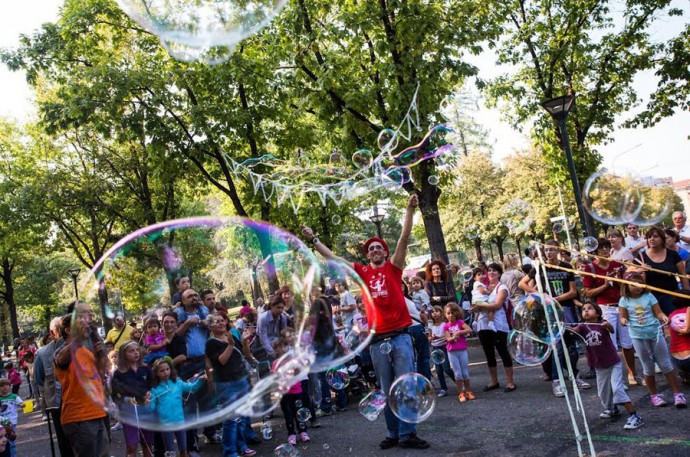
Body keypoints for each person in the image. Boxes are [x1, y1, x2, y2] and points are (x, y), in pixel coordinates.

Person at [301, 194, 429, 450]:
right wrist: (314, 239)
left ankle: (408, 434)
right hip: (377, 340)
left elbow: (404, 236)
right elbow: (334, 259)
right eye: (371, 248)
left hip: (401, 337)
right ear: (367, 254)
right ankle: (393, 434)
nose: (375, 250)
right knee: (385, 389)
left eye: (378, 247)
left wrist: (410, 209)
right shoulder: (361, 272)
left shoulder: (394, 268)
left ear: (385, 252)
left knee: (405, 385)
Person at [519, 241, 588, 396]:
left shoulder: (566, 267)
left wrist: (555, 298)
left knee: (571, 346)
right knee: (556, 346)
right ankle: (557, 380)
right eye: (546, 250)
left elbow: (572, 292)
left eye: (552, 250)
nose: (549, 253)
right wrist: (540, 295)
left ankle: (574, 375)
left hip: (566, 309)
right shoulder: (539, 267)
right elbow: (522, 284)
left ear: (558, 250)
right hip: (549, 312)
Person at [619, 272, 686, 407]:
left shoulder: (649, 296)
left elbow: (658, 312)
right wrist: (623, 320)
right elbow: (623, 317)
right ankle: (654, 395)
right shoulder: (624, 300)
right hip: (638, 336)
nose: (638, 287)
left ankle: (677, 394)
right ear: (627, 286)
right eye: (634, 285)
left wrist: (663, 317)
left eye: (640, 284)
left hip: (655, 333)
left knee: (665, 364)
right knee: (647, 366)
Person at [571, 303, 644, 430]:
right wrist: (563, 327)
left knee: (617, 389)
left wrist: (607, 325)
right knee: (603, 393)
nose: (586, 311)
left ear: (598, 313)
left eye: (590, 308)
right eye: (583, 310)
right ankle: (612, 409)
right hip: (599, 365)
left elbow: (611, 329)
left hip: (613, 363)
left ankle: (635, 416)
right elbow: (574, 330)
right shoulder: (582, 326)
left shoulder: (602, 323)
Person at [581, 238, 641, 386]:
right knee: (611, 345)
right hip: (604, 308)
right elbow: (588, 293)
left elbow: (624, 287)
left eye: (608, 247)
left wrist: (619, 279)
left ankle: (633, 375)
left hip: (621, 305)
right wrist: (606, 284)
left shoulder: (616, 265)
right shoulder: (590, 268)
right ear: (595, 250)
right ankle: (617, 380)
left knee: (627, 343)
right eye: (602, 248)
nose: (606, 250)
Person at [54, 305, 108, 456]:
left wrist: (101, 356)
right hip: (79, 417)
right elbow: (60, 361)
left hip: (97, 413)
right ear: (68, 330)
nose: (85, 324)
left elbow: (101, 377)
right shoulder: (62, 350)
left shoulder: (87, 351)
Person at [205, 312, 257, 457]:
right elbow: (221, 361)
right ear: (210, 326)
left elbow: (245, 354)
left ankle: (242, 446)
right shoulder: (211, 343)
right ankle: (230, 451)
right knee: (231, 420)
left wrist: (245, 342)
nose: (221, 323)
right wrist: (230, 345)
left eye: (222, 320)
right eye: (217, 321)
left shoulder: (232, 337)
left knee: (241, 417)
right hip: (226, 384)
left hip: (240, 380)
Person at [174, 288, 214, 450]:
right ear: (183, 301)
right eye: (190, 296)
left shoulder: (204, 311)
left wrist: (207, 323)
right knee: (189, 402)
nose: (194, 298)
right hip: (187, 364)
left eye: (196, 295)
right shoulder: (179, 314)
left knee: (206, 399)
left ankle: (210, 433)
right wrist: (186, 324)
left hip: (203, 361)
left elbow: (215, 327)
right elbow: (174, 336)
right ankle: (192, 440)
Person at [145, 358, 206, 456]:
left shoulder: (178, 383)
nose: (165, 372)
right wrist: (147, 403)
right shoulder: (155, 389)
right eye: (162, 370)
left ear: (171, 369)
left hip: (179, 421)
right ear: (156, 373)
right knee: (171, 452)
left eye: (167, 369)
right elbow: (151, 408)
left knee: (183, 449)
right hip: (165, 424)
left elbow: (192, 388)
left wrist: (200, 380)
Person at [473, 263, 517, 393]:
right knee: (489, 353)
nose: (491, 273)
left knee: (502, 351)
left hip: (498, 324)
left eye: (494, 271)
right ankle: (494, 380)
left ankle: (510, 382)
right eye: (489, 270)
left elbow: (497, 305)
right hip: (483, 324)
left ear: (499, 273)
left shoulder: (502, 287)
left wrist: (479, 306)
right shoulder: (486, 288)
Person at [111, 341, 153, 457]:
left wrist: (150, 393)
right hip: (129, 413)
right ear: (124, 355)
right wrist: (126, 400)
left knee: (147, 443)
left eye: (137, 350)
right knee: (132, 446)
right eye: (131, 351)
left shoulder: (146, 369)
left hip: (146, 411)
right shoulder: (119, 374)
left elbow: (153, 385)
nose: (136, 353)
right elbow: (115, 395)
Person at [639, 226, 690, 315]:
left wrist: (686, 296)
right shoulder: (641, 257)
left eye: (655, 236)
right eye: (649, 237)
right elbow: (629, 274)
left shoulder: (673, 255)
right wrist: (640, 269)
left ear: (662, 239)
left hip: (671, 296)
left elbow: (683, 275)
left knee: (674, 323)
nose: (651, 239)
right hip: (650, 297)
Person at [273, 339, 311, 446]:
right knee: (288, 414)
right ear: (276, 350)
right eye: (280, 347)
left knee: (300, 412)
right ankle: (291, 434)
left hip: (296, 391)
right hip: (284, 393)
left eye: (285, 346)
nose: (284, 349)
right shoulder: (275, 363)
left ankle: (303, 432)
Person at [443, 303, 473, 403]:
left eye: (452, 313)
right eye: (448, 313)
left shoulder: (460, 322)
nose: (450, 315)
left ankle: (468, 391)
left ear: (456, 313)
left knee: (465, 372)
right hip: (452, 352)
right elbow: (448, 338)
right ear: (445, 315)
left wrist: (460, 332)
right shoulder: (446, 326)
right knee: (458, 373)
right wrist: (453, 337)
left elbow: (469, 329)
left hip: (462, 350)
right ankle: (461, 392)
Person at [427, 305, 456, 397]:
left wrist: (439, 337)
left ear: (441, 312)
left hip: (444, 347)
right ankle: (443, 388)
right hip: (435, 348)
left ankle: (459, 383)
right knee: (438, 370)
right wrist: (431, 338)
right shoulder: (431, 325)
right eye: (432, 312)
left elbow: (449, 335)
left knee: (446, 368)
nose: (434, 313)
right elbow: (429, 337)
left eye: (436, 311)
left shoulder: (445, 324)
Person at [256, 295, 290, 360]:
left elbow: (284, 335)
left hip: (277, 343)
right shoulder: (263, 318)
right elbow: (263, 339)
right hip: (263, 345)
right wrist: (274, 354)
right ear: (272, 307)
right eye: (278, 307)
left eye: (282, 308)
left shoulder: (283, 318)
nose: (280, 310)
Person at [669, 293, 690, 384]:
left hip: (675, 359)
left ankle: (685, 374)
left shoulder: (671, 315)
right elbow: (687, 330)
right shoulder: (688, 310)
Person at [0, 378, 23, 457]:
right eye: (2, 386)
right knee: (3, 441)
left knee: (11, 439)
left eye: (7, 385)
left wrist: (22, 404)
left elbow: (20, 402)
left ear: (10, 386)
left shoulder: (14, 396)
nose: (5, 387)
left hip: (11, 422)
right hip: (1, 423)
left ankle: (12, 455)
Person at [470, 268, 495, 332]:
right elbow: (482, 291)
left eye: (482, 274)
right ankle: (491, 323)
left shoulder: (480, 284)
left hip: (477, 302)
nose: (481, 276)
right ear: (474, 278)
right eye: (479, 275)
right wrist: (489, 292)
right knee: (491, 307)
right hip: (481, 301)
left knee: (478, 312)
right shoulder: (478, 283)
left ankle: (475, 322)